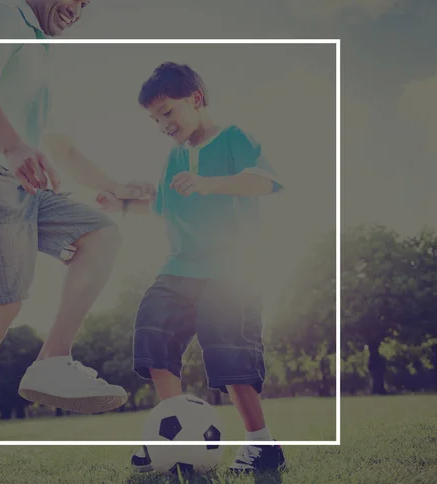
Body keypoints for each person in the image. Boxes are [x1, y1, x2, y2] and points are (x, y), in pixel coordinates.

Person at [0, 1, 150, 483]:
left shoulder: (38, 53)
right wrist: (13, 147)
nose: (78, 9)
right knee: (0, 301)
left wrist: (116, 188)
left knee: (100, 233)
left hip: (18, 183)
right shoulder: (4, 13)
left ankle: (52, 360)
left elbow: (59, 147)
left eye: (85, 4)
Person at [97, 62, 287, 476]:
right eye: (154, 119)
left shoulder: (235, 138)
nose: (162, 124)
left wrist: (208, 184)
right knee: (153, 331)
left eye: (167, 112)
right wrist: (124, 206)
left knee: (229, 353)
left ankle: (263, 444)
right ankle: (177, 443)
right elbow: (164, 206)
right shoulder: (174, 157)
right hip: (181, 267)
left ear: (197, 100)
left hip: (231, 269)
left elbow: (264, 182)